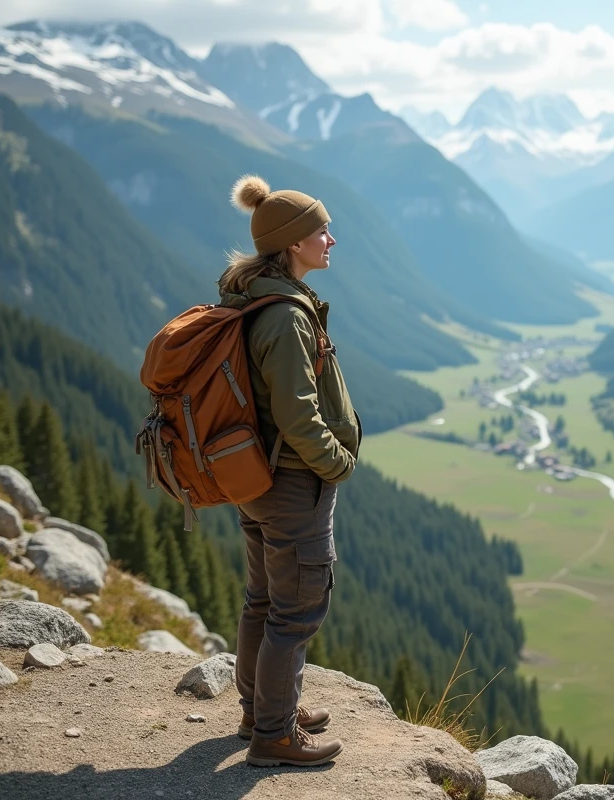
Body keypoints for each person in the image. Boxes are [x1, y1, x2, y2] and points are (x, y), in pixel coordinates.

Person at [217, 174, 362, 768]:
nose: (331, 239)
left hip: (258, 478)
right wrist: (338, 462)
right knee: (296, 610)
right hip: (293, 480)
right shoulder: (285, 316)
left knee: (263, 601)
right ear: (292, 243)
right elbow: (297, 413)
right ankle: (273, 737)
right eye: (320, 231)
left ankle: (261, 711)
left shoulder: (257, 296)